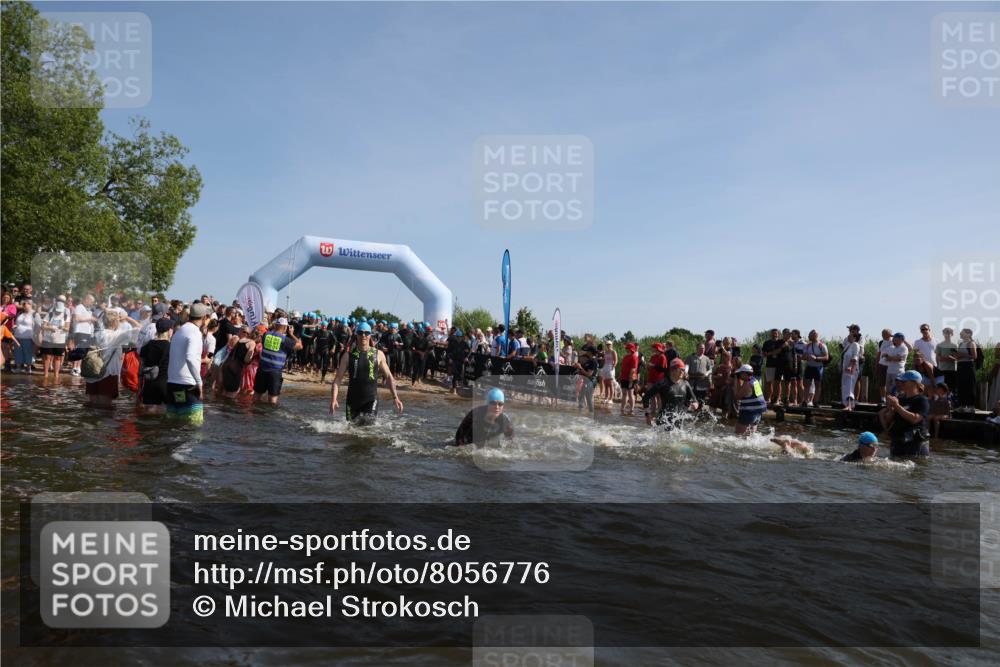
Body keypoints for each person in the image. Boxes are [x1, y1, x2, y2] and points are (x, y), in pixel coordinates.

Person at [329, 321, 403, 423]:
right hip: (352, 401)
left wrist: (395, 397)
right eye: (360, 333)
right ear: (356, 335)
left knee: (369, 428)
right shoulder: (348, 355)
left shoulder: (378, 354)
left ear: (370, 335)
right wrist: (334, 399)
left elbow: (389, 377)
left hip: (371, 400)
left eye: (366, 333)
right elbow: (338, 379)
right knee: (352, 430)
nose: (363, 335)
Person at [84, 310, 141, 407]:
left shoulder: (96, 334)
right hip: (108, 374)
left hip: (91, 372)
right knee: (105, 407)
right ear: (116, 322)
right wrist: (127, 318)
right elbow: (140, 328)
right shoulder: (119, 335)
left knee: (91, 405)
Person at [166, 302, 211, 422]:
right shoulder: (195, 333)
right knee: (194, 425)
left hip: (173, 383)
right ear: (204, 318)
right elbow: (190, 357)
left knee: (174, 423)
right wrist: (199, 382)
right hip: (189, 385)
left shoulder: (180, 330)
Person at [878, 370, 930, 458]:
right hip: (898, 440)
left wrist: (897, 406)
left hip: (914, 441)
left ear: (914, 383)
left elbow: (915, 419)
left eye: (904, 381)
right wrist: (891, 409)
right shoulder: (900, 399)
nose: (901, 383)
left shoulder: (922, 400)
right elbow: (888, 420)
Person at [254, 317, 302, 404]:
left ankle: (253, 414)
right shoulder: (285, 340)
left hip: (262, 370)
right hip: (274, 372)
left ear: (276, 325)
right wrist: (291, 334)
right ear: (285, 328)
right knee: (272, 399)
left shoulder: (266, 335)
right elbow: (300, 346)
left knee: (256, 396)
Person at [642, 358, 698, 429]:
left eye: (683, 370)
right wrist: (647, 415)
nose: (683, 372)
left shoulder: (686, 384)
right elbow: (645, 397)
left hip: (679, 422)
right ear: (672, 370)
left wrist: (695, 404)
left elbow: (695, 400)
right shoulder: (663, 383)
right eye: (681, 369)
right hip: (663, 421)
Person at [139, 318, 173, 411]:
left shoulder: (146, 346)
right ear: (170, 331)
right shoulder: (171, 347)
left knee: (149, 417)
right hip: (165, 385)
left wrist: (139, 389)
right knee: (167, 418)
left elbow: (141, 369)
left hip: (149, 385)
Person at [39, 296, 71, 378]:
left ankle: (56, 375)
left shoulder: (66, 315)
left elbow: (67, 328)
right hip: (48, 339)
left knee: (58, 358)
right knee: (47, 357)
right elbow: (43, 326)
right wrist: (50, 328)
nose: (58, 312)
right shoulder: (49, 314)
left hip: (60, 340)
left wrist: (63, 328)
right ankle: (45, 374)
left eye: (59, 311)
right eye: (57, 311)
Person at [221, 325, 256, 398]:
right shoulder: (252, 343)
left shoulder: (237, 340)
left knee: (224, 391)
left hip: (227, 365)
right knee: (232, 393)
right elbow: (246, 359)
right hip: (236, 368)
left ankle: (220, 407)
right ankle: (227, 408)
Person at [732, 364, 767, 434]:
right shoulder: (754, 380)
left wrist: (736, 380)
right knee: (751, 436)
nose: (739, 375)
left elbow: (737, 396)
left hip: (749, 412)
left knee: (738, 435)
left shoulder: (747, 384)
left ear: (744, 373)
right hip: (758, 413)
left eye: (740, 373)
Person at [801, 330, 828, 407]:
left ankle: (816, 402)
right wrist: (807, 357)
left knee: (818, 385)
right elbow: (803, 357)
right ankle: (805, 401)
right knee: (806, 384)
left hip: (818, 368)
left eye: (810, 335)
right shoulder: (807, 345)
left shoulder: (822, 345)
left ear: (815, 336)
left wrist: (816, 358)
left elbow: (826, 357)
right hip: (809, 367)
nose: (808, 337)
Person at [954, 328, 978, 413]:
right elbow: (958, 357)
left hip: (968, 366)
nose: (960, 333)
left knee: (969, 385)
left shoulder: (971, 343)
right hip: (960, 365)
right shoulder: (960, 344)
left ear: (968, 334)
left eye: (962, 332)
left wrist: (961, 354)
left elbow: (974, 356)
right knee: (961, 386)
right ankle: (962, 406)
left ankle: (971, 406)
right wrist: (956, 355)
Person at [840, 332, 863, 411]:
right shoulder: (848, 346)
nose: (848, 337)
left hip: (852, 369)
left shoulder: (855, 345)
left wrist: (850, 366)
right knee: (845, 387)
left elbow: (855, 356)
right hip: (845, 370)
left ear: (854, 338)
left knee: (849, 387)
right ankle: (848, 405)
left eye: (850, 336)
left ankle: (849, 405)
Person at [12, 300, 36, 373]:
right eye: (24, 305)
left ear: (31, 305)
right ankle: (18, 368)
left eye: (27, 305)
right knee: (17, 352)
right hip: (17, 336)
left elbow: (36, 326)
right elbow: (17, 323)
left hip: (28, 337)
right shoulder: (20, 313)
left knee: (28, 352)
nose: (25, 306)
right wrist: (15, 327)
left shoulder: (34, 314)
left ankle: (28, 368)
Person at [574, 346, 598, 415]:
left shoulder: (593, 361)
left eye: (587, 351)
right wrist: (577, 366)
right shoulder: (589, 360)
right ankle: (589, 414)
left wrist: (580, 368)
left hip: (590, 381)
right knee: (585, 398)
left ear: (590, 352)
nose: (586, 352)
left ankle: (583, 414)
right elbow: (582, 370)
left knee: (584, 397)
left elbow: (589, 374)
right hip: (586, 381)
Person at [619, 342, 640, 416]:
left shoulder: (634, 357)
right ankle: (622, 409)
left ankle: (631, 410)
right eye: (626, 348)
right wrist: (620, 376)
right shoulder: (625, 357)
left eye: (627, 348)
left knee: (630, 394)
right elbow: (622, 367)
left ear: (631, 349)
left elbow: (633, 369)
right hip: (624, 377)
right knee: (624, 393)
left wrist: (630, 378)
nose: (626, 349)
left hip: (631, 378)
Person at [761, 329, 782, 403]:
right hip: (769, 364)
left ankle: (778, 398)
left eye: (776, 333)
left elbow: (781, 351)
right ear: (771, 334)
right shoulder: (767, 343)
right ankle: (769, 398)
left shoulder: (781, 342)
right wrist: (771, 353)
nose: (774, 334)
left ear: (778, 334)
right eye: (773, 333)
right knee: (769, 383)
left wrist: (770, 353)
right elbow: (763, 353)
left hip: (779, 365)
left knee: (778, 383)